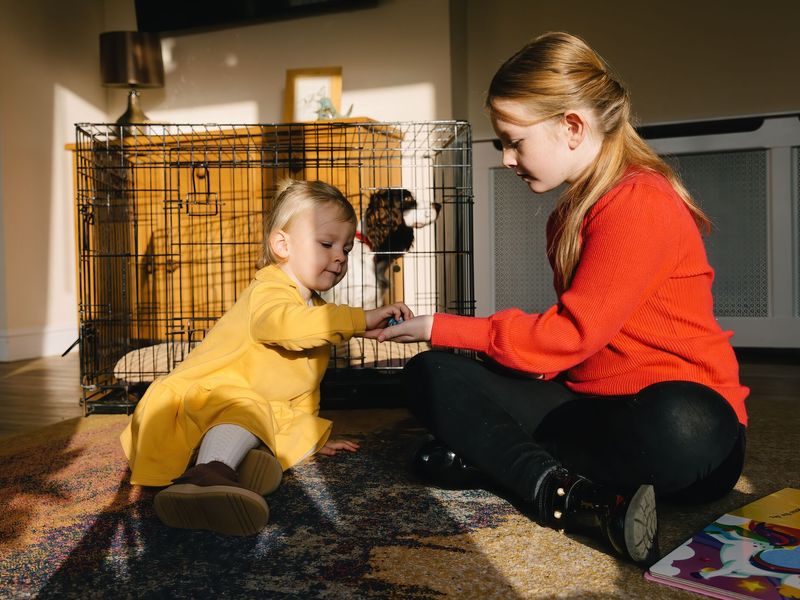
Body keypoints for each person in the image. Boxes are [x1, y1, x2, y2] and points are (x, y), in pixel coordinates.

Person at [379, 31, 748, 565]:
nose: (506, 158)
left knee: (689, 422)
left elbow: (572, 334)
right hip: (592, 404)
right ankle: (567, 494)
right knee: (432, 375)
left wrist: (442, 324)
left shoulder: (637, 203)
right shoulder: (568, 215)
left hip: (683, 426)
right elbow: (579, 349)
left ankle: (494, 460)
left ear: (571, 127)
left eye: (513, 140)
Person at [121, 179, 412, 536]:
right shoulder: (269, 290)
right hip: (187, 408)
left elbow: (303, 388)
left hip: (231, 412)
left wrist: (310, 436)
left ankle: (238, 464)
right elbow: (290, 328)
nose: (339, 256)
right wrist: (359, 319)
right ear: (281, 245)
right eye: (326, 244)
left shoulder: (315, 310)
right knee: (245, 406)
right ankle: (205, 474)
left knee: (264, 415)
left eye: (347, 249)